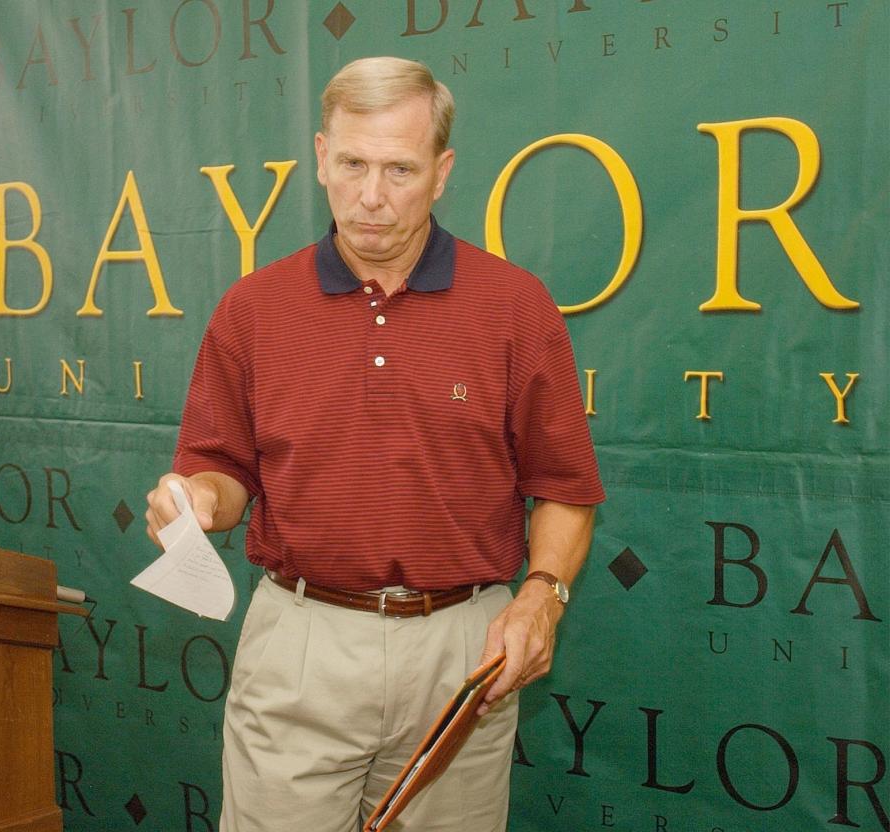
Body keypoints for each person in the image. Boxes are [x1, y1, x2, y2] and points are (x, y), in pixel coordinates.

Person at [145, 56, 604, 832]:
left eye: (399, 168)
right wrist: (193, 499)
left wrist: (542, 597)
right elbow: (222, 471)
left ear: (442, 170)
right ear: (321, 155)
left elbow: (562, 485)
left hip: (464, 652)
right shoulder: (254, 308)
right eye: (352, 163)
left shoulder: (515, 306)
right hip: (299, 645)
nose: (371, 195)